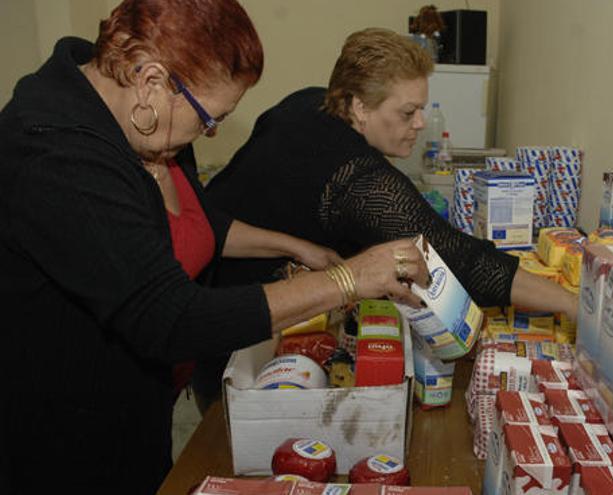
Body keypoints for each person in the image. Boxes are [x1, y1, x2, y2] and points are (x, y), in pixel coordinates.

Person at [0, 3, 428, 494]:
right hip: (68, 440)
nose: (211, 132)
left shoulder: (142, 118)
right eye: (209, 119)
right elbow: (173, 318)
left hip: (140, 407)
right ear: (152, 80)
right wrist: (347, 279)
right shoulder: (56, 158)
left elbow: (196, 221)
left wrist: (296, 246)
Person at [201, 28, 579, 409]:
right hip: (226, 315)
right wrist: (571, 304)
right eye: (407, 112)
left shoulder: (310, 102)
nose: (419, 123)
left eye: (422, 109)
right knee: (223, 426)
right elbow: (461, 260)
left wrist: (300, 247)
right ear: (360, 107)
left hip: (210, 248)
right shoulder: (358, 179)